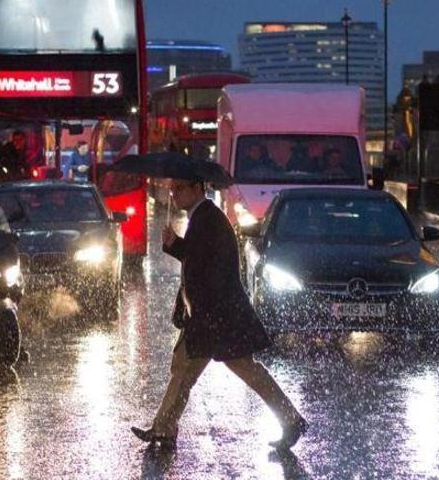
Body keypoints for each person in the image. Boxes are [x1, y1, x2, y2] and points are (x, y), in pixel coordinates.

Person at [131, 178, 307, 450]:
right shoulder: (202, 217)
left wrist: (201, 313)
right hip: (210, 314)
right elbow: (199, 258)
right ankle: (163, 428)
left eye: (180, 188)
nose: (174, 193)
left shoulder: (208, 219)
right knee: (183, 368)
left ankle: (291, 419)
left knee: (241, 370)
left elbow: (208, 267)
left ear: (198, 188)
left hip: (216, 316)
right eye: (173, 188)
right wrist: (175, 244)